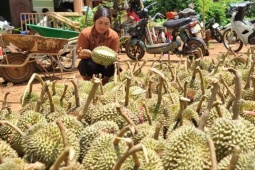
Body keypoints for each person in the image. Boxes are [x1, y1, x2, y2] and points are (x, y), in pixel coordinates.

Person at [77, 6, 120, 85]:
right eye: (100, 23)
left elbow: (114, 55)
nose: (102, 26)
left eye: (106, 24)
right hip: (92, 67)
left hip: (106, 67)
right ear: (94, 21)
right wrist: (83, 54)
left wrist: (115, 58)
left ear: (110, 24)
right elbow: (80, 53)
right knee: (83, 64)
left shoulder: (114, 36)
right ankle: (89, 83)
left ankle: (106, 82)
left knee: (116, 65)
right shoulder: (85, 34)